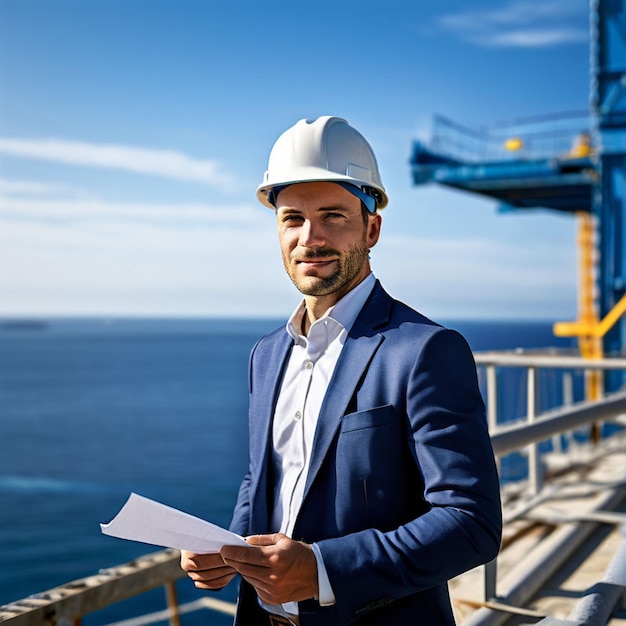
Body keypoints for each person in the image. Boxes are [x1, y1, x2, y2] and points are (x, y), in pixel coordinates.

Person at [181, 116, 502, 625]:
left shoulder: (425, 351)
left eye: (333, 215)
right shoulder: (267, 354)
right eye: (292, 219)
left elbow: (471, 523)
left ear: (371, 227)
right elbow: (265, 475)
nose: (311, 237)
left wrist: (322, 570)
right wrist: (229, 547)